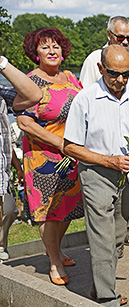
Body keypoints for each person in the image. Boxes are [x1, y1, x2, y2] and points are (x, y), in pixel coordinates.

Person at [64, 45, 129, 306]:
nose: (120, 80)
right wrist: (108, 160)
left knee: (118, 236)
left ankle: (99, 286)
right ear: (100, 69)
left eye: (126, 74)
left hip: (127, 176)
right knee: (102, 238)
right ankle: (108, 298)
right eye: (113, 74)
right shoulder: (85, 99)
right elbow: (69, 146)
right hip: (96, 174)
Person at [80, 15, 129, 249]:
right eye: (120, 37)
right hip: (104, 140)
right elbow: (84, 98)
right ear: (109, 35)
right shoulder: (95, 59)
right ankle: (108, 243)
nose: (125, 42)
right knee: (105, 192)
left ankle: (123, 234)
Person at [14, 28, 84, 285]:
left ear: (63, 52)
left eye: (56, 46)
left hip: (70, 153)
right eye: (45, 47)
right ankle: (54, 261)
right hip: (42, 156)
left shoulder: (70, 77)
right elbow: (24, 123)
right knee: (48, 212)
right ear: (36, 54)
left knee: (67, 206)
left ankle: (55, 248)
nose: (52, 51)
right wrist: (60, 144)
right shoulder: (29, 81)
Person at [0, 56, 42, 260]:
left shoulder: (0, 93)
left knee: (9, 210)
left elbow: (34, 95)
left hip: (2, 173)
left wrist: (2, 63)